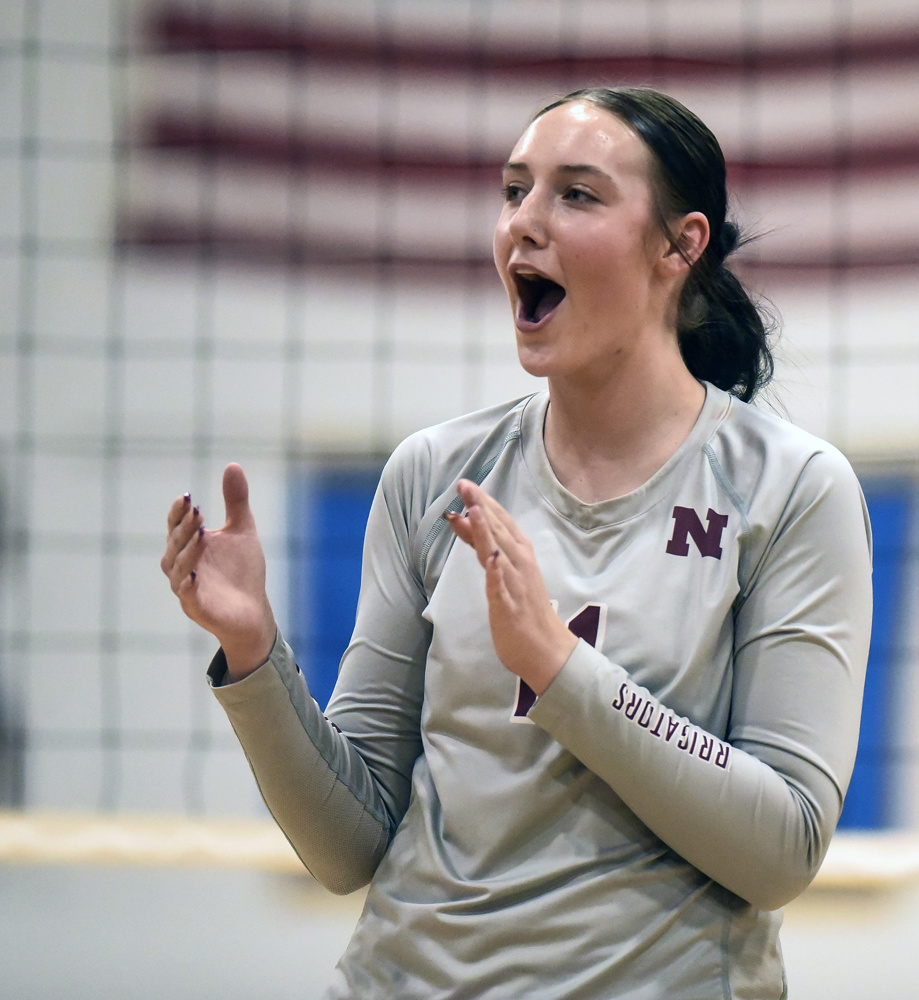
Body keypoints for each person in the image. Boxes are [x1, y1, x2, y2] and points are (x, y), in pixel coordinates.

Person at [160, 87, 873, 999]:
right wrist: (254, 657)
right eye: (513, 191)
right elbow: (349, 849)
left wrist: (562, 672)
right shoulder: (435, 472)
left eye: (577, 195)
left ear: (680, 245)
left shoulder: (789, 487)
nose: (523, 225)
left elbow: (783, 848)